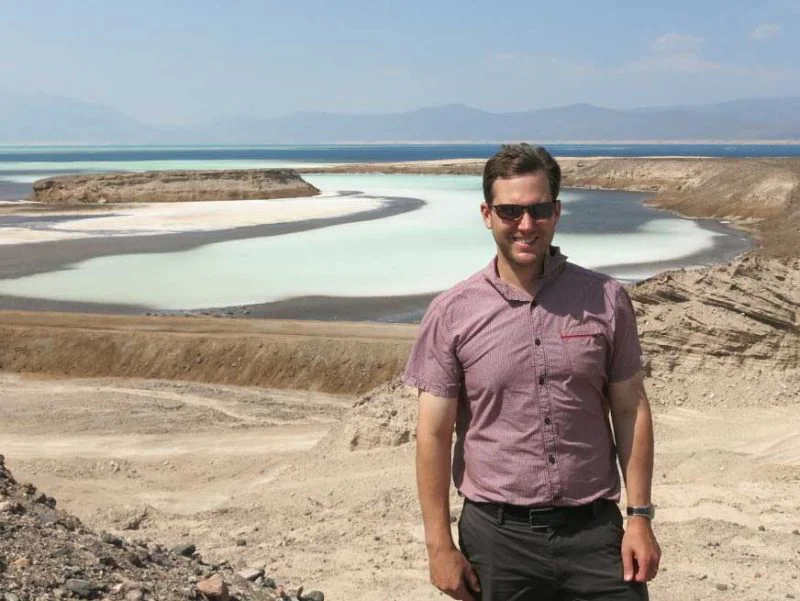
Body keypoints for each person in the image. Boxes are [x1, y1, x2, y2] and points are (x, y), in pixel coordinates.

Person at [403, 143, 661, 601]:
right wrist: (438, 545)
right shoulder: (452, 313)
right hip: (497, 541)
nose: (526, 224)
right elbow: (434, 434)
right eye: (510, 211)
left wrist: (639, 517)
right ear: (487, 214)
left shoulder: (606, 300)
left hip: (595, 534)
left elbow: (629, 409)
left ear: (556, 213)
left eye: (539, 210)